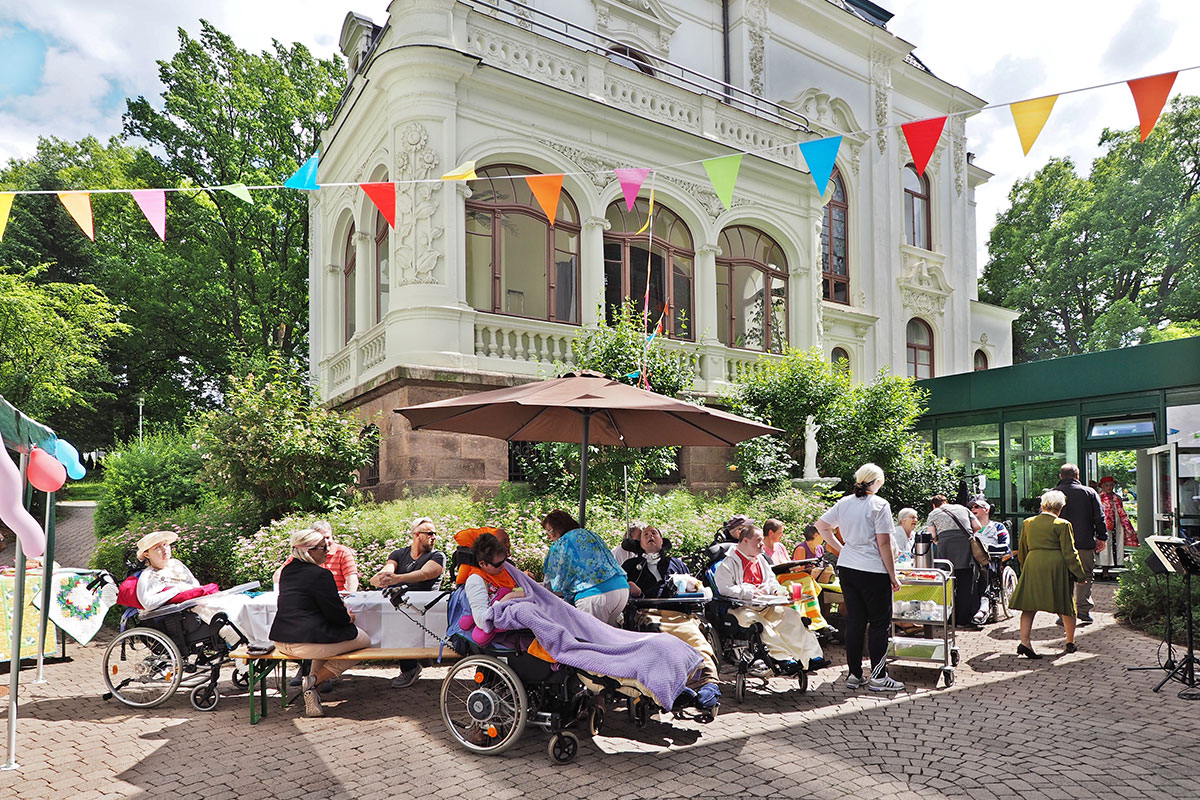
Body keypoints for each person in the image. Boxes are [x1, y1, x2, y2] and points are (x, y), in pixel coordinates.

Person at [815, 463, 904, 692]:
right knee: (878, 625)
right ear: (877, 482)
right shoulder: (879, 504)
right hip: (873, 570)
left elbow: (821, 526)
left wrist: (840, 548)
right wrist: (893, 575)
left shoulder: (844, 502)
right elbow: (884, 543)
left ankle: (854, 674)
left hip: (848, 568)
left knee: (855, 622)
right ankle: (878, 676)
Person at [270, 528, 372, 717]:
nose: (327, 550)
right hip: (304, 644)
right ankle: (314, 682)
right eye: (323, 547)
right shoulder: (321, 575)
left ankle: (312, 694)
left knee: (328, 642)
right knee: (365, 643)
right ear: (309, 551)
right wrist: (348, 617)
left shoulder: (286, 572)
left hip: (281, 640)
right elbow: (337, 616)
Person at [621, 525, 721, 706]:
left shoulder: (676, 564)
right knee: (660, 641)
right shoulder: (629, 566)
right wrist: (628, 584)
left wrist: (692, 584)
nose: (650, 536)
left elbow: (694, 588)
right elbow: (620, 590)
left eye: (654, 533)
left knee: (697, 639)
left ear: (661, 541)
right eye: (646, 534)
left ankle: (708, 684)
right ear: (640, 543)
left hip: (679, 614)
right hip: (648, 614)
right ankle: (671, 686)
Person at [712, 524, 823, 672]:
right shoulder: (728, 563)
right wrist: (750, 592)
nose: (761, 544)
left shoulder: (761, 560)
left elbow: (771, 581)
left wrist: (776, 590)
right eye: (758, 540)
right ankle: (783, 658)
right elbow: (725, 589)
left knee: (792, 616)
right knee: (761, 625)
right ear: (744, 541)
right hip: (741, 608)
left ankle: (811, 656)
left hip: (766, 605)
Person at [134, 530, 246, 647]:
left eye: (165, 545)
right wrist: (177, 590)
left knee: (237, 601)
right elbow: (147, 603)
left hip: (198, 600)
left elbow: (195, 585)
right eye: (157, 547)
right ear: (147, 554)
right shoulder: (149, 575)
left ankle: (251, 641)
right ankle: (238, 645)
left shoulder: (176, 564)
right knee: (221, 613)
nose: (164, 549)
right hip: (182, 613)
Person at [1009, 489, 1086, 658]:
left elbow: (1022, 547)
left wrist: (1024, 567)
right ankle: (1070, 642)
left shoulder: (1028, 522)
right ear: (1060, 507)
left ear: (1042, 505)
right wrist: (1080, 574)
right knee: (1066, 604)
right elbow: (1070, 553)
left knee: (1029, 606)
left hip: (1033, 563)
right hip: (1056, 566)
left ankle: (1025, 642)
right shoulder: (1063, 525)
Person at [370, 516, 446, 688]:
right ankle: (413, 664)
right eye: (429, 533)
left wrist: (396, 578)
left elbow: (426, 574)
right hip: (401, 606)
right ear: (416, 535)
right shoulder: (398, 554)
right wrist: (384, 577)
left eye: (435, 534)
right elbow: (385, 571)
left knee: (402, 620)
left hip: (426, 608)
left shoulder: (437, 556)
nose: (433, 537)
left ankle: (410, 668)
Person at [541, 509, 629, 625]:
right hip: (621, 590)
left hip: (595, 596)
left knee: (589, 641)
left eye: (549, 531)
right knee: (611, 640)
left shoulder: (562, 542)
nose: (548, 537)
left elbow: (551, 582)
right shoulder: (590, 534)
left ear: (559, 527)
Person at [1055, 464, 1106, 625]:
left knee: (1062, 578)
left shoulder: (1052, 494)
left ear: (1060, 476)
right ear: (1077, 476)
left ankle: (1064, 613)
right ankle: (1083, 610)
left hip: (1059, 545)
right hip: (1084, 542)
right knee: (1085, 575)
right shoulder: (1089, 492)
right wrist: (1102, 537)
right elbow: (1099, 517)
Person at [927, 494, 984, 628]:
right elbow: (978, 526)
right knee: (965, 583)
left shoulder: (934, 513)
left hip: (945, 548)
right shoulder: (962, 508)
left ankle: (947, 618)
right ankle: (963, 619)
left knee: (946, 583)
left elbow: (932, 535)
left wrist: (939, 541)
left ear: (934, 505)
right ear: (947, 502)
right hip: (964, 546)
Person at [272, 520, 359, 593]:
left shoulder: (342, 552)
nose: (325, 542)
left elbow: (352, 580)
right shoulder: (303, 554)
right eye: (320, 539)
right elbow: (278, 575)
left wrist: (349, 598)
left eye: (327, 537)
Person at [968, 497, 1010, 624]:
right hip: (971, 560)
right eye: (971, 507)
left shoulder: (997, 527)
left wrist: (989, 548)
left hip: (990, 560)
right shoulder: (968, 528)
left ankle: (984, 605)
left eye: (976, 507)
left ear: (986, 509)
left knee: (984, 569)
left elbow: (1005, 544)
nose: (973, 509)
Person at [1097, 476, 1136, 578]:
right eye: (1106, 485)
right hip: (1104, 524)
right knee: (1105, 546)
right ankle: (1105, 569)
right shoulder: (1099, 497)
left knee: (1116, 544)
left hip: (1117, 523)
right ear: (1102, 486)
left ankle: (1115, 565)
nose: (1109, 487)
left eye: (1111, 485)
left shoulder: (1117, 498)